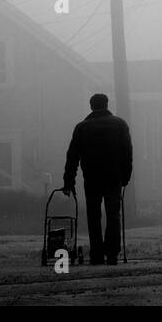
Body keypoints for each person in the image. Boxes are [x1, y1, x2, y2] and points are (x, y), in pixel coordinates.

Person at [63, 93, 132, 266]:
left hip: (92, 178)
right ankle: (112, 254)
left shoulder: (82, 128)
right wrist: (125, 177)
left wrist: (69, 182)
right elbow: (127, 154)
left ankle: (97, 254)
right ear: (107, 105)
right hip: (113, 177)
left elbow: (72, 157)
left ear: (91, 106)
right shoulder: (120, 124)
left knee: (93, 215)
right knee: (113, 214)